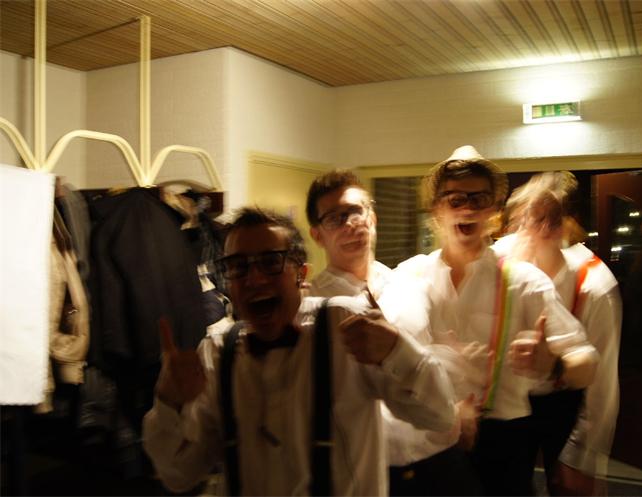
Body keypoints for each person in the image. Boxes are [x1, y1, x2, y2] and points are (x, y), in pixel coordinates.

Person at [142, 206, 456, 496]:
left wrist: (397, 350)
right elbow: (179, 475)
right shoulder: (216, 352)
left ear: (301, 274)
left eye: (270, 262)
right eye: (238, 267)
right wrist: (169, 402)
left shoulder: (346, 326)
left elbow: (439, 414)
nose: (254, 279)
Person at [396, 145, 599, 496]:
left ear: (493, 209)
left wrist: (554, 364)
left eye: (479, 198)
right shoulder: (409, 276)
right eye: (455, 198)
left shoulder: (525, 281)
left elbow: (587, 363)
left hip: (502, 444)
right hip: (425, 439)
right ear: (436, 210)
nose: (468, 208)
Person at [304, 169, 481, 496]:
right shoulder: (311, 309)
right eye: (335, 218)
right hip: (369, 471)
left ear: (373, 218)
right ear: (317, 235)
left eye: (357, 211)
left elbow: (441, 351)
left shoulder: (411, 285)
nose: (351, 224)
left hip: (438, 456)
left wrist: (459, 402)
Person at [495, 171, 622, 495]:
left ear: (566, 227)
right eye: (519, 220)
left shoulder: (595, 286)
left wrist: (582, 458)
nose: (525, 231)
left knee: (571, 489)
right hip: (510, 397)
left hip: (565, 400)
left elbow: (602, 384)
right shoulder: (501, 258)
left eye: (543, 221)